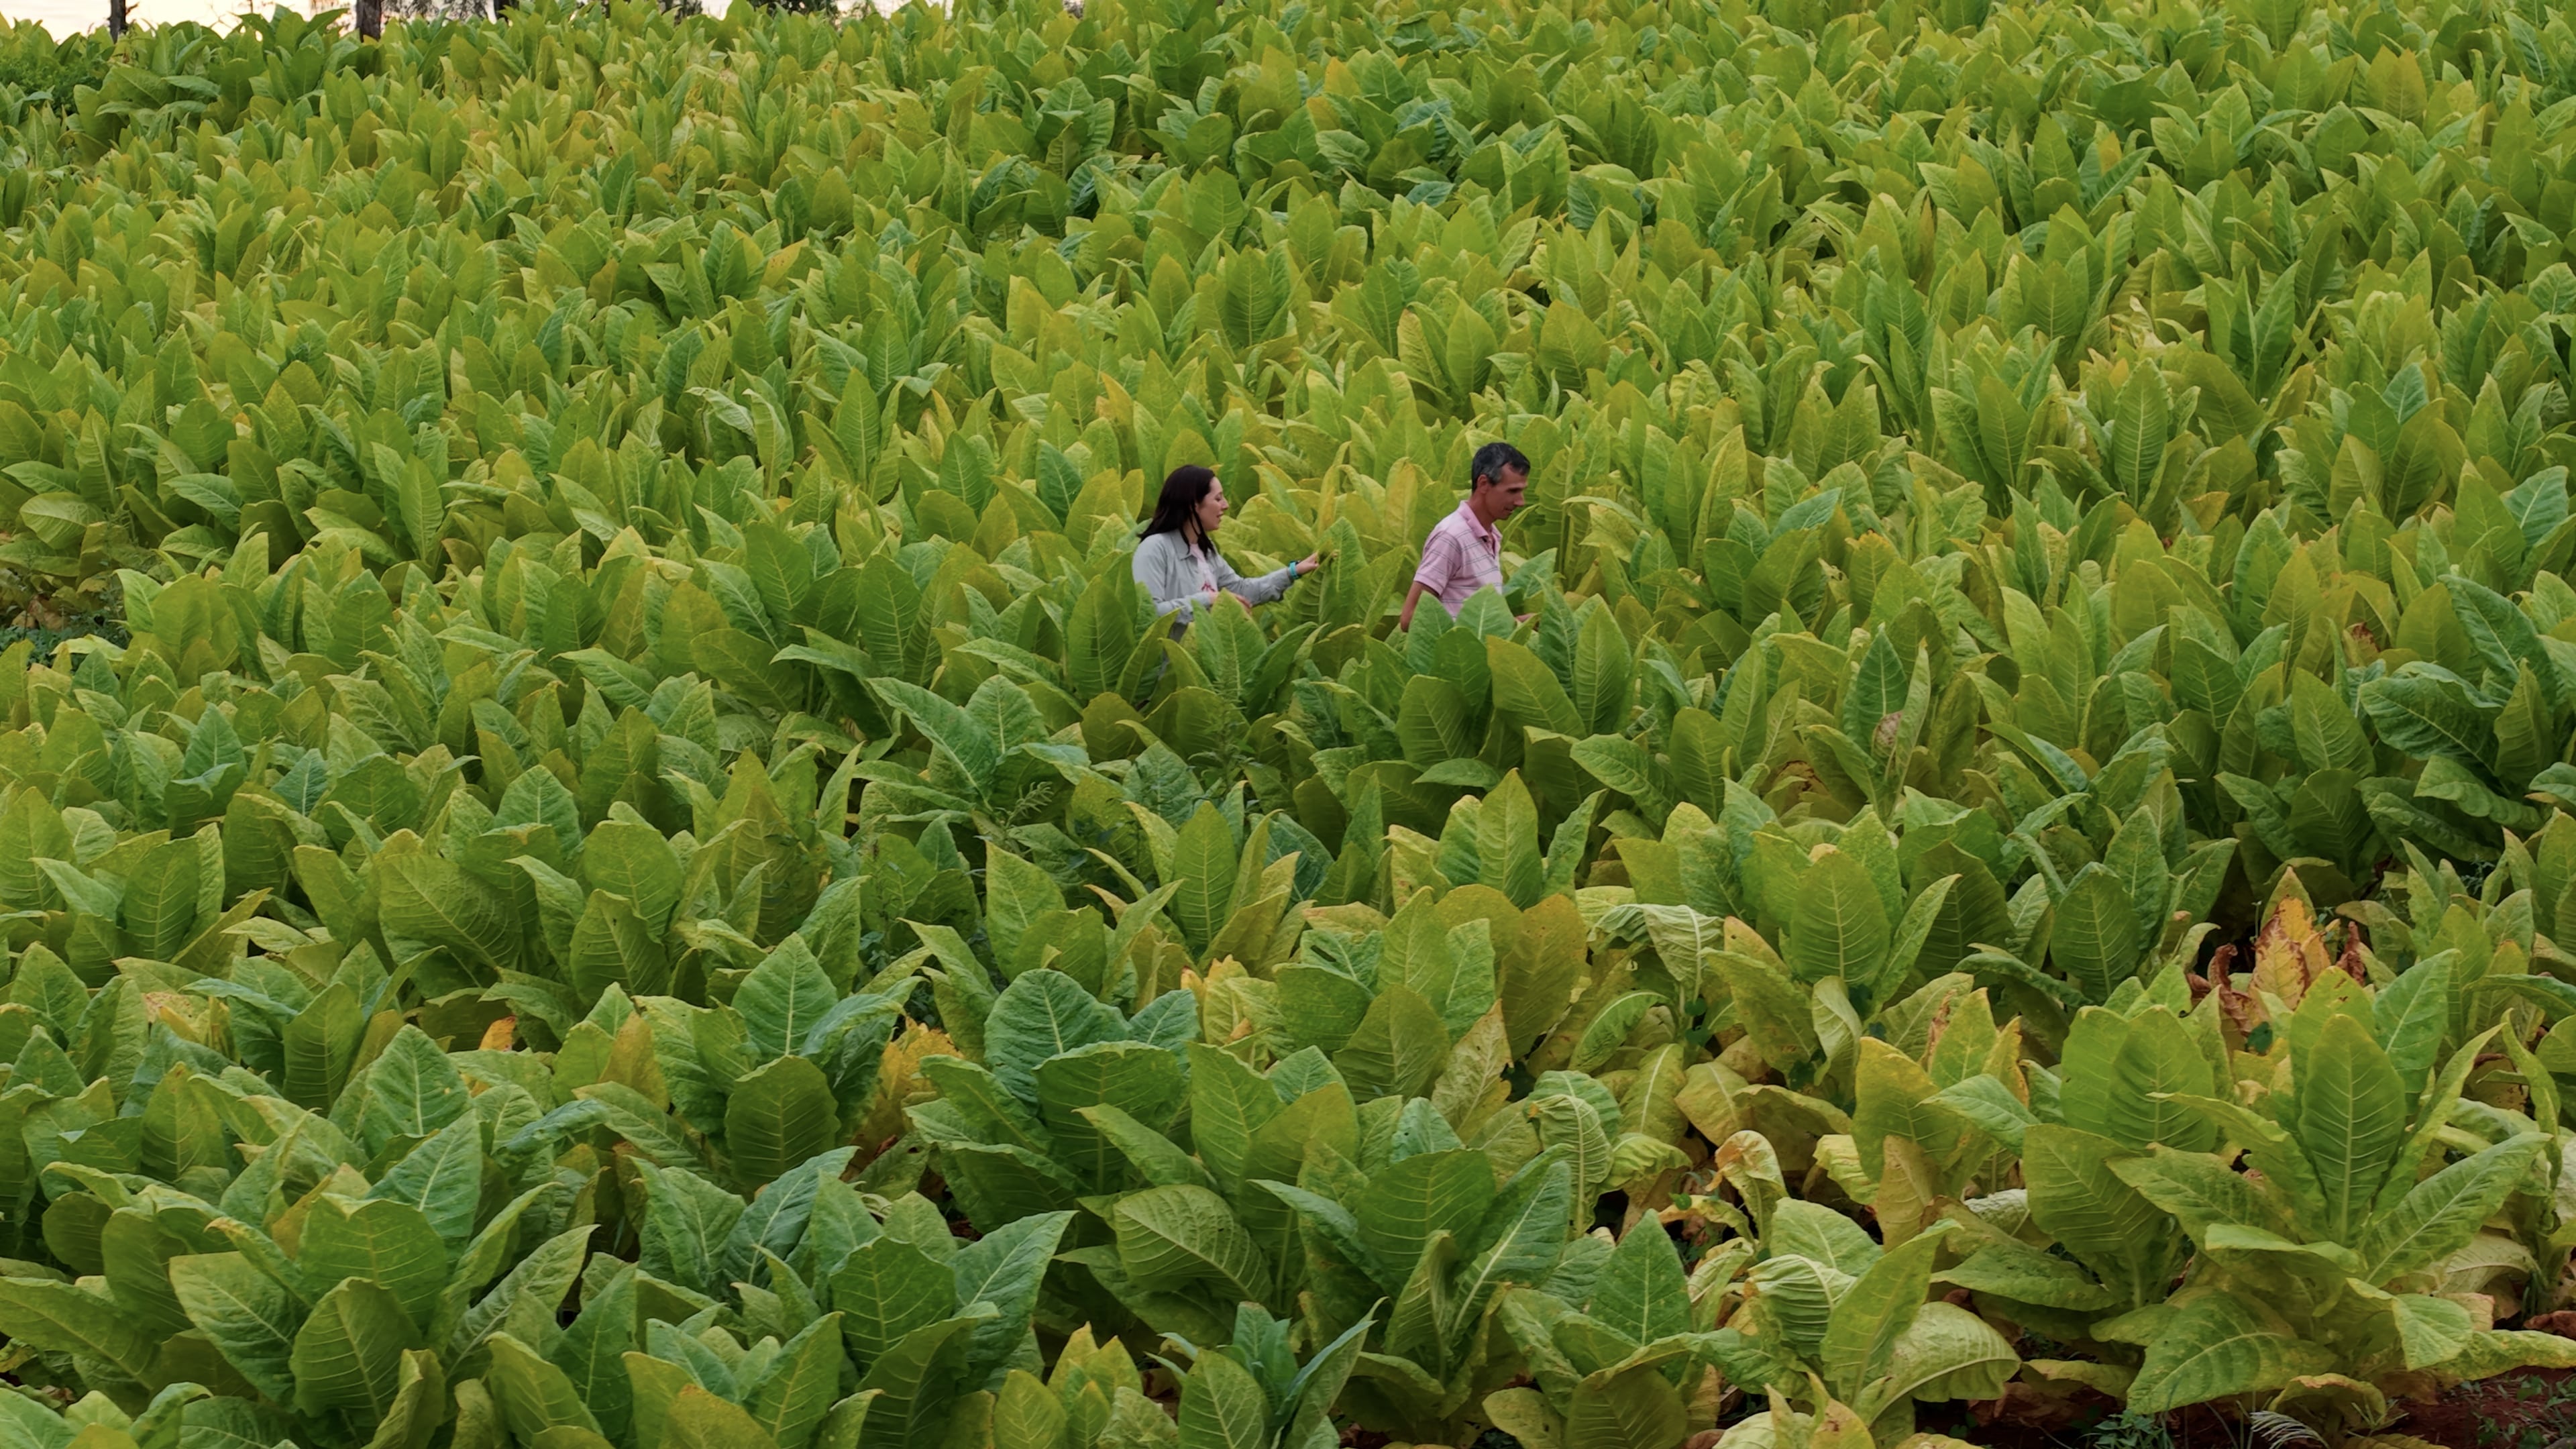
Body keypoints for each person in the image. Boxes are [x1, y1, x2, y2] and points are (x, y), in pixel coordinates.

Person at [1132, 464, 1323, 630]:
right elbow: (1152, 613)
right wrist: (1208, 600)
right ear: (1193, 504)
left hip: (1210, 659)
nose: (1226, 505)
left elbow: (1240, 590)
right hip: (1174, 666)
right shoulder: (1155, 548)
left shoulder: (1205, 550)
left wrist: (1293, 571)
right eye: (1218, 499)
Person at [1399, 441, 1529, 629]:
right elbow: (1410, 619)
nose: (1520, 502)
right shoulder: (1451, 536)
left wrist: (1517, 624)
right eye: (1512, 491)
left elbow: (1470, 613)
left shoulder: (1491, 536)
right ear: (1483, 484)